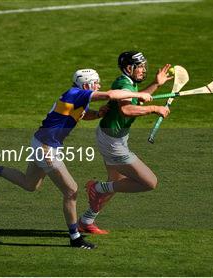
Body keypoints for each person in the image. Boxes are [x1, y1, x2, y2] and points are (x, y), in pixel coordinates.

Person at [0, 69, 153, 249]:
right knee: (71, 191)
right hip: (46, 148)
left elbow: (81, 114)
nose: (99, 84)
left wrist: (96, 114)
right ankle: (75, 238)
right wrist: (139, 96)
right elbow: (110, 95)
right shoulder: (76, 93)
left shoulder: (79, 97)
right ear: (86, 84)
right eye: (96, 82)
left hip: (41, 142)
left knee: (29, 184)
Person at [78, 51, 172, 234]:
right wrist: (154, 108)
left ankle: (86, 221)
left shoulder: (129, 84)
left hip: (112, 136)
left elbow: (137, 98)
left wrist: (155, 84)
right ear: (129, 68)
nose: (144, 69)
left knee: (115, 182)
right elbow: (127, 110)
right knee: (149, 182)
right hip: (112, 142)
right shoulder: (123, 83)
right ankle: (96, 188)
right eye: (141, 66)